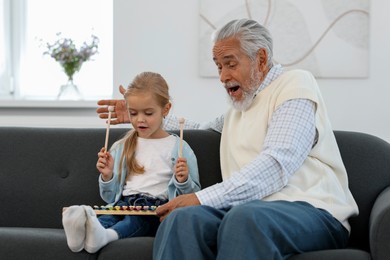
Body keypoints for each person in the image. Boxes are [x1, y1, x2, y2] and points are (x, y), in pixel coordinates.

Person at [97, 19, 358, 259]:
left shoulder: (295, 86)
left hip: (314, 212)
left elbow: (277, 164)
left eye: (230, 64)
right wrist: (143, 116)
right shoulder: (238, 110)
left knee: (244, 218)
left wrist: (201, 198)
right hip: (248, 213)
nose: (222, 76)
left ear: (261, 59)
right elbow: (201, 129)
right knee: (182, 220)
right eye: (219, 66)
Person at [62, 71, 201, 254]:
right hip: (123, 203)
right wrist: (108, 176)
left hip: (154, 209)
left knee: (135, 222)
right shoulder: (122, 146)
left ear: (165, 109)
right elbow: (110, 198)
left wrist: (183, 181)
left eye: (148, 113)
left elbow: (194, 197)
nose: (139, 120)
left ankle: (105, 236)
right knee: (107, 215)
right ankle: (84, 231)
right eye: (133, 113)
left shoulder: (180, 148)